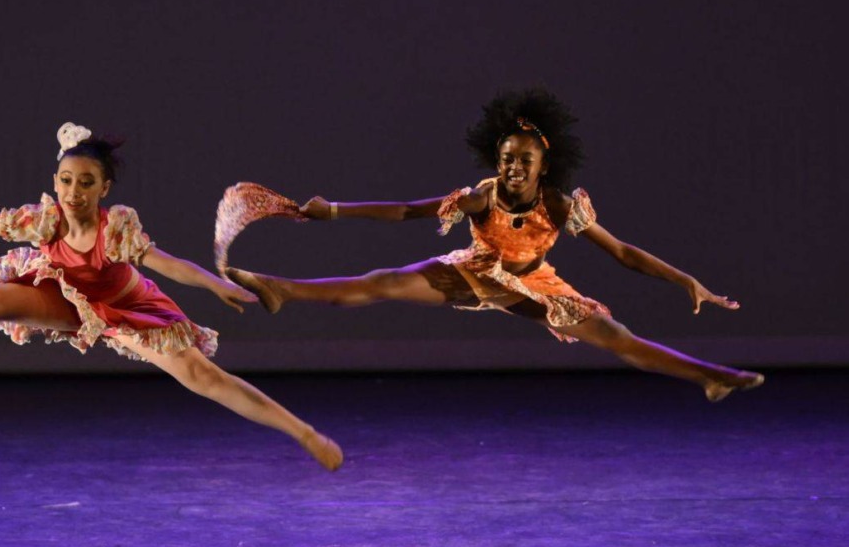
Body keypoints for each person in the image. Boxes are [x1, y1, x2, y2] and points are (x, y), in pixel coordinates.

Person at [0, 123, 343, 471]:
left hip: (130, 308)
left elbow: (166, 263)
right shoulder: (43, 221)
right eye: (65, 181)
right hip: (65, 294)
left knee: (203, 379)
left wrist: (217, 283)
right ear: (55, 182)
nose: (73, 192)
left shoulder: (117, 226)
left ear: (104, 189)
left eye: (85, 183)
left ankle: (304, 433)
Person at [223, 88, 764, 402]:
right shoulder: (483, 198)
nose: (511, 168)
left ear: (542, 167)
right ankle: (282, 290)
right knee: (383, 283)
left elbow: (622, 252)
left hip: (534, 283)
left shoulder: (559, 206)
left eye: (522, 161)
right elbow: (410, 210)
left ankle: (710, 376)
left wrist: (684, 279)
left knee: (615, 336)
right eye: (505, 158)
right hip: (478, 271)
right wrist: (333, 210)